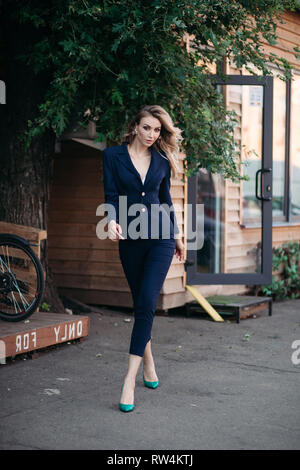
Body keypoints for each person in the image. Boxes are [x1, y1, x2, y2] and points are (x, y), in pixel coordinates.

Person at [102, 105, 185, 412]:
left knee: (148, 302)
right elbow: (110, 196)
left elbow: (166, 200)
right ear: (135, 126)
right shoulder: (112, 157)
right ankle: (149, 363)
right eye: (148, 128)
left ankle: (128, 379)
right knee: (141, 305)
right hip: (130, 240)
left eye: (157, 130)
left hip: (160, 238)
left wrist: (176, 235)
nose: (152, 134)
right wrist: (111, 220)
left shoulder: (161, 160)